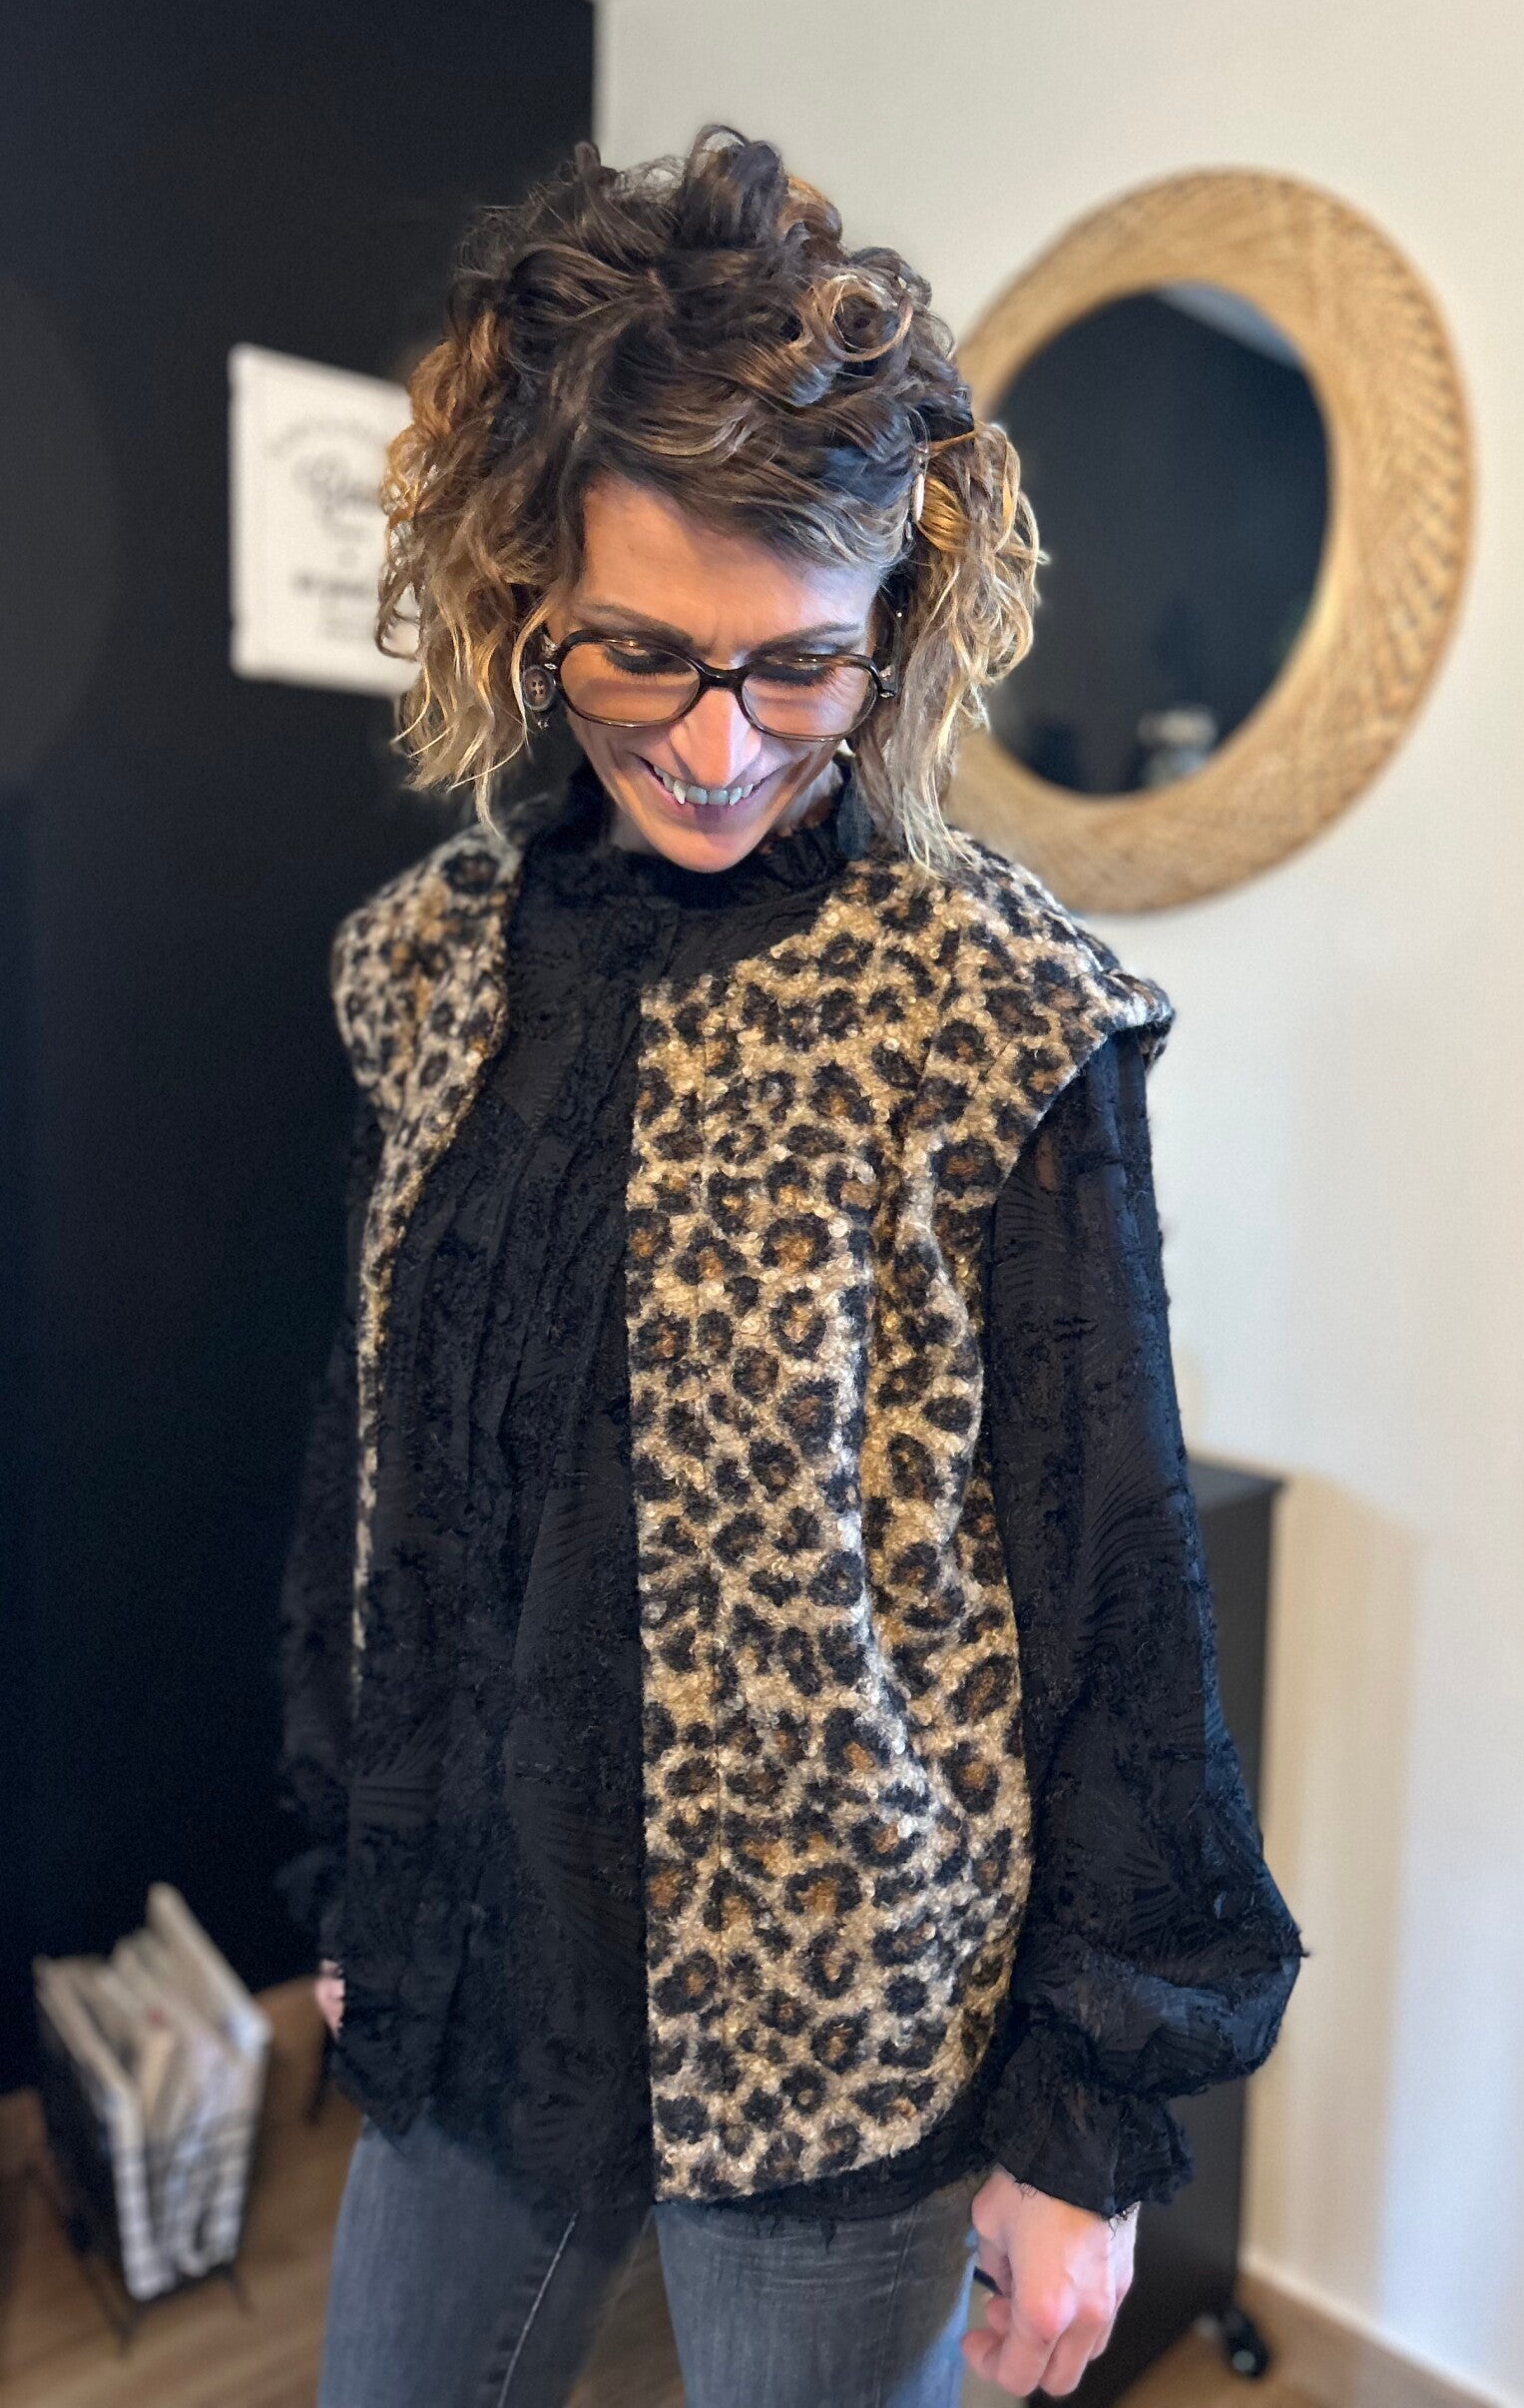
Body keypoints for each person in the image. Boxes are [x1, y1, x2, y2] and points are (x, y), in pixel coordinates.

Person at [275, 126, 1301, 2408]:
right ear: (524, 594)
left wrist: (1088, 2122)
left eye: (801, 669)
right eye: (644, 653)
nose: (720, 745)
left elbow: (1113, 1574)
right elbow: (375, 1462)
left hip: (847, 2008)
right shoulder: (424, 969)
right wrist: (355, 1861)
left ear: (893, 635)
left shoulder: (991, 1006)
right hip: (479, 1938)